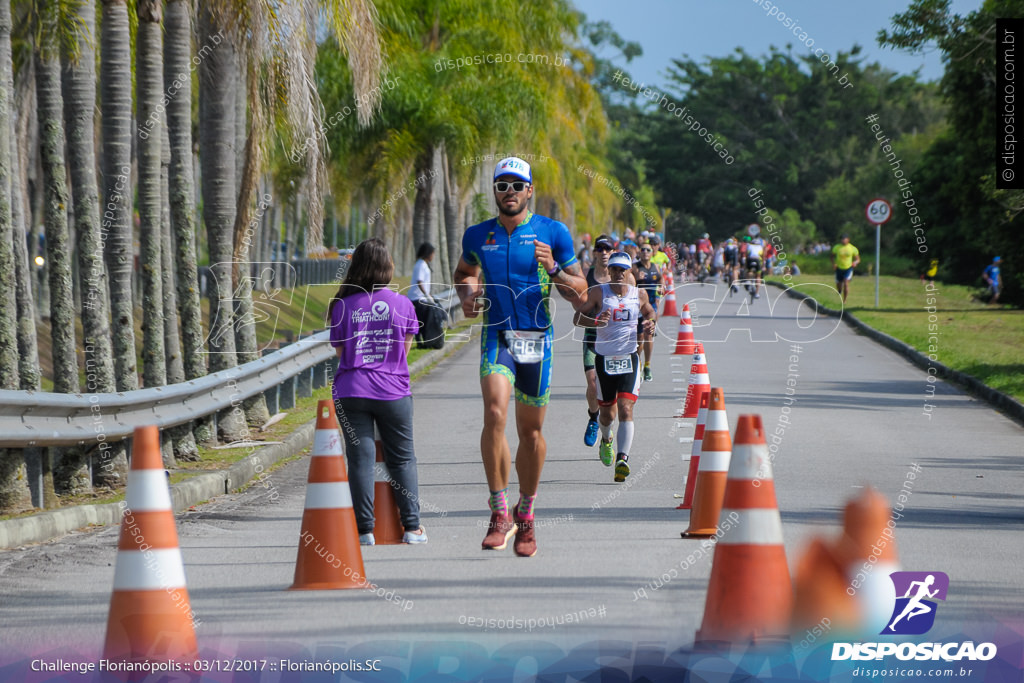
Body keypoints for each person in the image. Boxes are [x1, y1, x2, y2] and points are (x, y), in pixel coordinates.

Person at [454, 157, 587, 557]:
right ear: (494, 192)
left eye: (517, 185)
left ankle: (525, 513)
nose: (509, 192)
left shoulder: (553, 232)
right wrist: (468, 295)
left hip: (537, 340)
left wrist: (554, 270)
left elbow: (580, 289)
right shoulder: (478, 235)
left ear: (530, 190)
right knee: (494, 414)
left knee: (530, 433)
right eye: (502, 185)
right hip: (497, 336)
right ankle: (499, 511)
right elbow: (464, 272)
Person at [329, 238, 426, 546]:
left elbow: (341, 352)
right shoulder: (403, 304)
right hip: (393, 391)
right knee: (402, 459)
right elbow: (404, 351)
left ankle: (364, 532)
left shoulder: (342, 305)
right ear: (388, 266)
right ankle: (412, 528)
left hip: (351, 391)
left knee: (360, 459)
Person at [574, 252, 656, 482]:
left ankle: (623, 459)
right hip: (604, 359)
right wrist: (596, 321)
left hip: (629, 358)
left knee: (626, 409)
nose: (619, 274)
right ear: (608, 271)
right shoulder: (599, 293)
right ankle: (607, 439)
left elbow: (649, 311)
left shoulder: (638, 294)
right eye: (615, 270)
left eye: (623, 270)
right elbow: (577, 319)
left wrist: (651, 322)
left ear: (630, 272)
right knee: (607, 415)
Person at [633, 243, 661, 382]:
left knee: (648, 335)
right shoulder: (635, 268)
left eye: (647, 250)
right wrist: (637, 279)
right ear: (639, 252)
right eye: (642, 249)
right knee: (639, 338)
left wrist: (659, 294)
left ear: (652, 252)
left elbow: (661, 281)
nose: (645, 252)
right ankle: (637, 364)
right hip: (638, 306)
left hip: (651, 308)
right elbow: (629, 284)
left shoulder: (656, 267)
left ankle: (647, 365)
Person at [408, 242, 437, 341]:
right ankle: (420, 341)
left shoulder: (423, 264)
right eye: (433, 253)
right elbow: (419, 281)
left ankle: (424, 340)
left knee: (422, 320)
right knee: (421, 321)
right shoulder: (421, 265)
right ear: (428, 253)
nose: (433, 256)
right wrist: (426, 295)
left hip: (421, 297)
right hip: (417, 298)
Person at [831, 234, 861, 303]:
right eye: (842, 239)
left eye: (844, 239)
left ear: (848, 239)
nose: (843, 240)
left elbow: (858, 259)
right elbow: (831, 256)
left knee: (846, 283)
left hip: (848, 268)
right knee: (838, 283)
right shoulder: (837, 247)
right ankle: (839, 290)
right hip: (839, 268)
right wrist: (834, 264)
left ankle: (844, 300)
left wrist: (855, 263)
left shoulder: (852, 248)